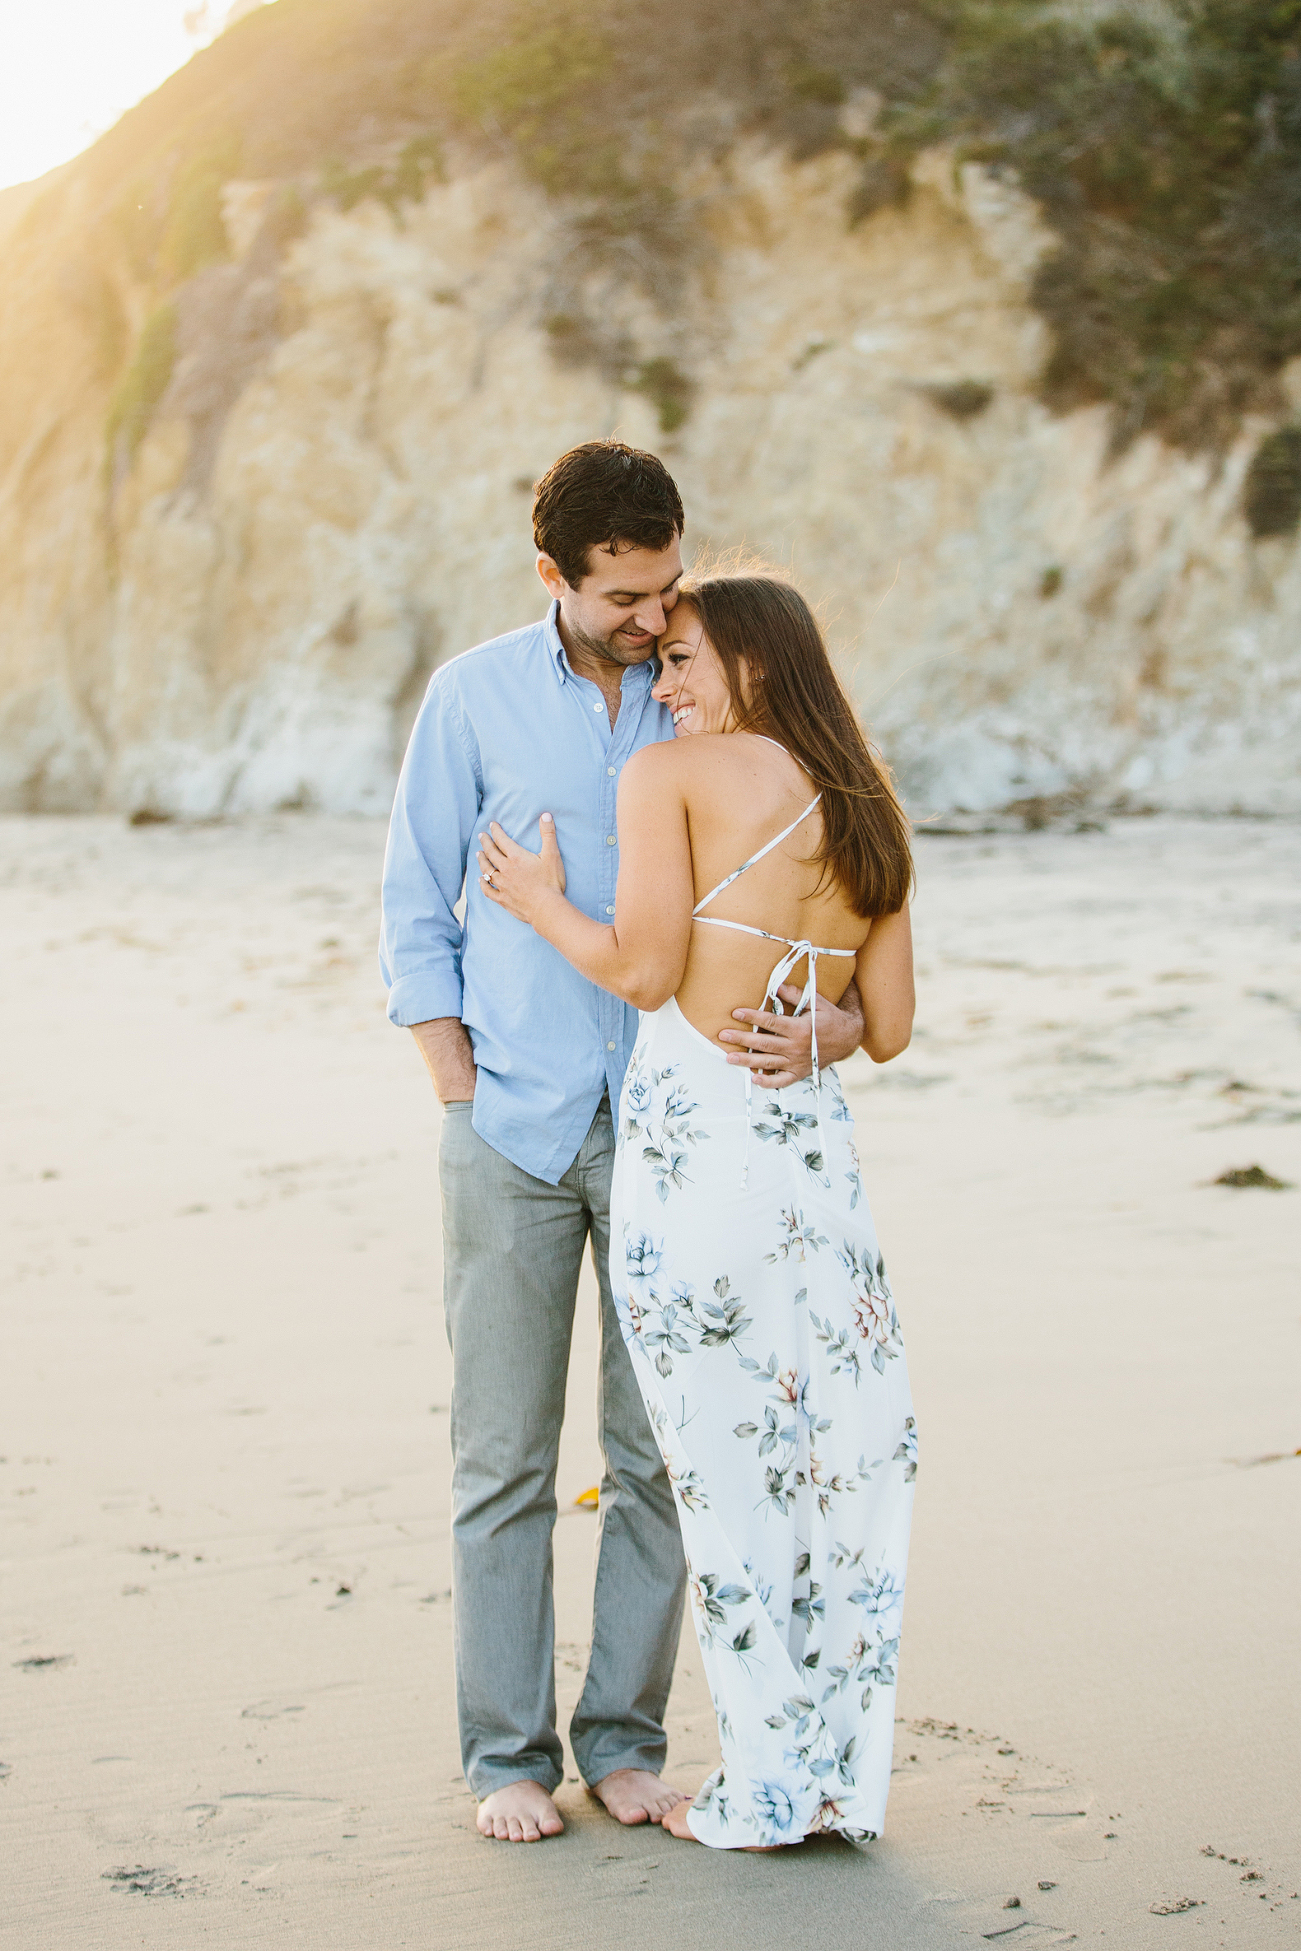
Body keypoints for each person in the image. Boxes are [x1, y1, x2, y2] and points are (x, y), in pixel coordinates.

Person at [379, 444, 871, 1844]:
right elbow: (413, 901)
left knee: (658, 1452)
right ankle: (506, 1755)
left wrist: (829, 1025)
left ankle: (625, 1739)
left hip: (674, 1128)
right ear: (555, 577)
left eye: (668, 590)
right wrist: (455, 1084)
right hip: (515, 1122)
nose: (657, 621)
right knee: (503, 1456)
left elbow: (813, 896)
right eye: (627, 597)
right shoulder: (470, 697)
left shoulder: (700, 705)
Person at [476, 568, 917, 1849]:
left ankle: (769, 1785)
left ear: (758, 667)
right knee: (830, 1464)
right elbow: (883, 1026)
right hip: (816, 1179)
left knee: (719, 1473)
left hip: (700, 1162)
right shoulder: (871, 808)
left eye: (683, 661)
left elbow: (648, 968)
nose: (660, 687)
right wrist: (817, 1028)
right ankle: (834, 1772)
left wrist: (535, 898)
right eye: (659, 660)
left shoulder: (670, 778)